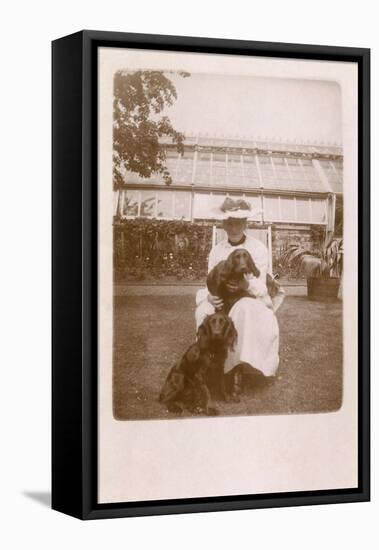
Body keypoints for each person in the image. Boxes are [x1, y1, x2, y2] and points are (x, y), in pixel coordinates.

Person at [195, 198, 283, 397]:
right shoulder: (217, 250)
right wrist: (210, 297)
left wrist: (246, 284)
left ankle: (235, 370)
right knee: (203, 311)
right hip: (222, 300)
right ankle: (208, 364)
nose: (234, 226)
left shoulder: (258, 248)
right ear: (223, 224)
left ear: (246, 224)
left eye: (238, 222)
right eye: (229, 222)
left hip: (252, 299)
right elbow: (209, 281)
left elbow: (261, 286)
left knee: (241, 309)